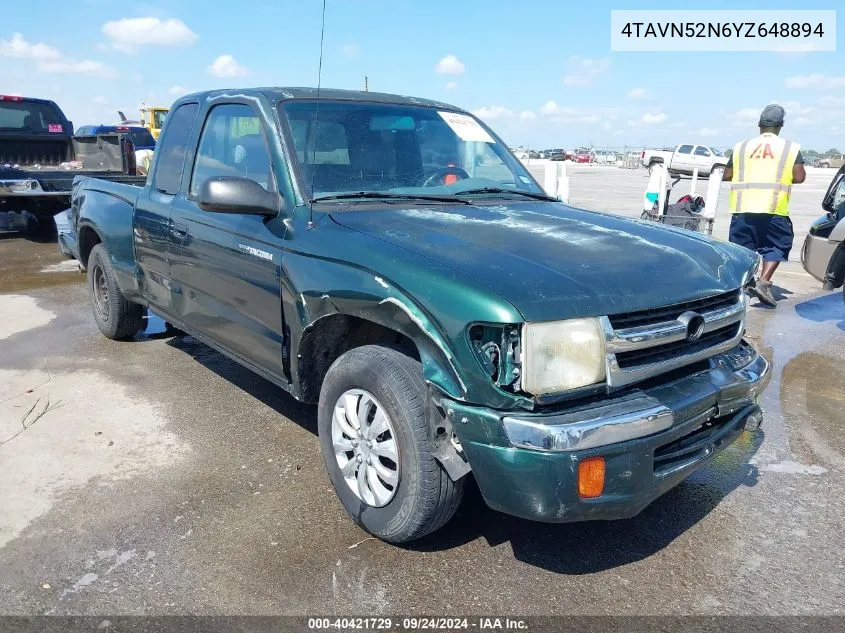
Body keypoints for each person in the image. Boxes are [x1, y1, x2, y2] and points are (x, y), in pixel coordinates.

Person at [723, 104, 806, 307]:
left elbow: (727, 174)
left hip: (743, 207)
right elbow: (799, 176)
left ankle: (740, 286)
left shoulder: (741, 147)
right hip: (773, 208)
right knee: (776, 245)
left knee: (741, 249)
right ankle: (764, 281)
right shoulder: (789, 148)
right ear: (781, 125)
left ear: (758, 124)